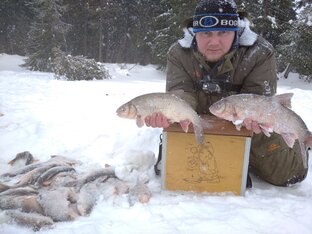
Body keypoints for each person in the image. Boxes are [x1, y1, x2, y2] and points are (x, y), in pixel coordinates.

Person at [145, 0, 308, 187]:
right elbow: (181, 94)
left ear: (235, 31)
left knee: (288, 174)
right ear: (196, 33)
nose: (214, 42)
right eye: (206, 33)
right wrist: (174, 112)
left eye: (223, 32)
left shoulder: (259, 53)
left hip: (247, 123)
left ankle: (296, 143)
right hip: (197, 118)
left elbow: (261, 101)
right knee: (182, 171)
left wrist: (253, 121)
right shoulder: (179, 53)